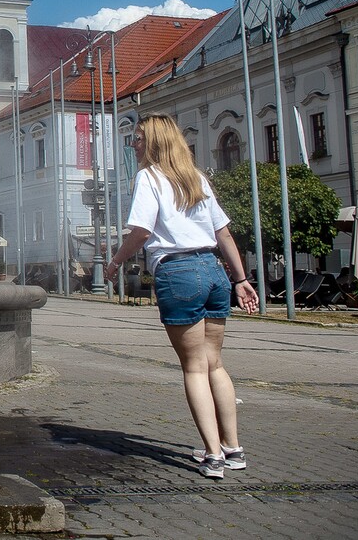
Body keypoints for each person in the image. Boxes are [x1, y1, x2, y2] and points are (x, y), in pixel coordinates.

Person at [103, 113, 259, 480]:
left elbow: (141, 232)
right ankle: (233, 449)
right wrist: (240, 279)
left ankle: (212, 455)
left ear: (153, 142)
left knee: (194, 367)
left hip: (178, 272)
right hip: (213, 270)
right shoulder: (197, 178)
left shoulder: (149, 177)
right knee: (215, 364)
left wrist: (115, 262)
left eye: (137, 139)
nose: (134, 145)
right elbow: (224, 234)